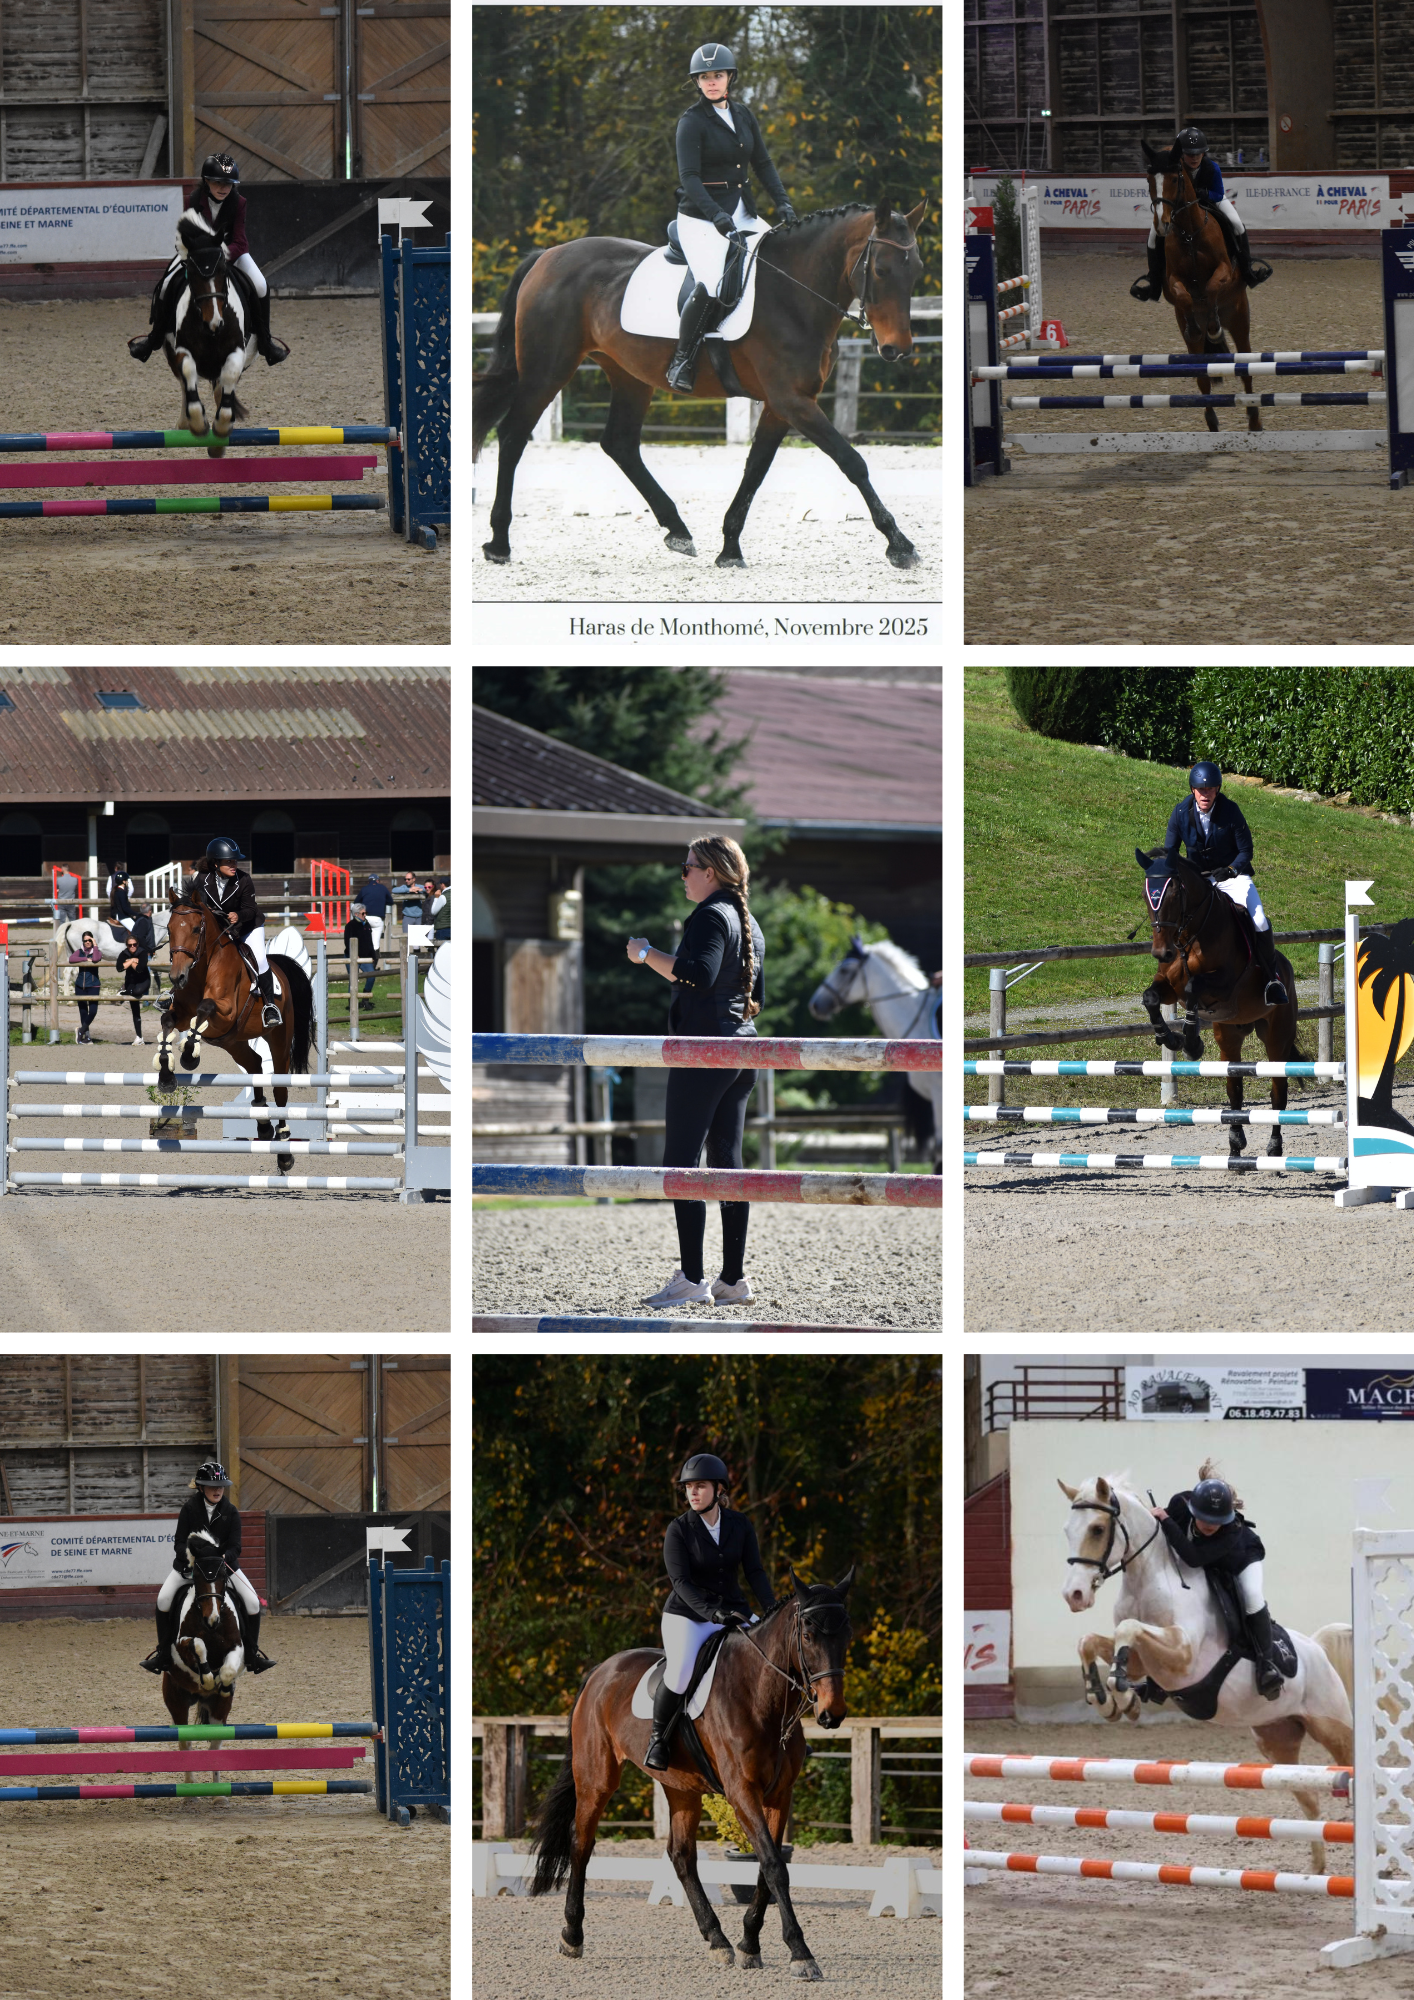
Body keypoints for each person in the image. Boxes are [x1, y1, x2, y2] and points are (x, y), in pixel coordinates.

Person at [627, 834, 765, 1309]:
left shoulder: (711, 915)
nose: (682, 875)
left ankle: (691, 1278)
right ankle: (732, 1280)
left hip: (705, 1052)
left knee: (681, 1163)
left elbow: (696, 975)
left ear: (710, 872)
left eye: (686, 868)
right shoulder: (748, 922)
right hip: (742, 1049)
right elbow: (757, 996)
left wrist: (645, 955)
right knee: (728, 1163)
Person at [666, 42, 796, 394]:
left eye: (717, 76)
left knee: (784, 261)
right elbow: (689, 178)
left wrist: (782, 202)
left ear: (729, 78)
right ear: (697, 82)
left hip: (742, 210)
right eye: (705, 77)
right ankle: (682, 359)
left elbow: (763, 164)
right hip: (701, 217)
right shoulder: (691, 123)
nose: (711, 82)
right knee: (713, 282)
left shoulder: (743, 115)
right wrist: (718, 216)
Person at [646, 1452, 778, 1770]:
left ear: (719, 1489)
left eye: (700, 1486)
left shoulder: (740, 1525)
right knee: (678, 1673)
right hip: (688, 1617)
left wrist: (773, 1611)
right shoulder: (679, 1530)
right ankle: (658, 1740)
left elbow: (755, 1572)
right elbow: (681, 1582)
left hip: (733, 1612)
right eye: (688, 1487)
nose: (692, 1492)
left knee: (776, 1654)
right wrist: (711, 1613)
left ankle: (788, 1734)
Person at [128, 153, 289, 366]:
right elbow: (186, 236)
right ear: (207, 181)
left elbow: (240, 241)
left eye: (228, 184)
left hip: (233, 254)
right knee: (166, 285)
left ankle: (266, 342)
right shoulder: (192, 201)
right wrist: (197, 254)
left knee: (260, 284)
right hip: (196, 254)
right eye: (218, 183)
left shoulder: (239, 203)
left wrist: (220, 255)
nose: (223, 188)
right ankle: (154, 339)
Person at [1150, 1469, 1283, 1699]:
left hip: (1241, 1559)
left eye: (1217, 1521)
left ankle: (1266, 1665)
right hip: (1208, 1562)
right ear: (1192, 1509)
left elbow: (1193, 1558)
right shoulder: (1180, 1504)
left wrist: (1165, 1519)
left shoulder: (1232, 1531)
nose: (1211, 1525)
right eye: (1205, 1518)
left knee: (1252, 1596)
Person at [1163, 761, 1287, 1005]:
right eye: (1200, 790)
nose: (1205, 794)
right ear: (1192, 790)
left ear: (1217, 789)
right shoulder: (1179, 813)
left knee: (1260, 919)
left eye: (1210, 790)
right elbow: (1170, 852)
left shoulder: (1230, 811)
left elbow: (1246, 850)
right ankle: (1168, 972)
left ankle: (1272, 979)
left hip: (1232, 877)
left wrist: (1231, 870)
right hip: (1199, 880)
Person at [138, 1459, 275, 1678]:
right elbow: (179, 1543)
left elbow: (235, 1547)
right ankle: (163, 1653)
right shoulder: (189, 1509)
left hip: (223, 1567)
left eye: (221, 1486)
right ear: (201, 1487)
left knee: (251, 1602)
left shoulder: (231, 1511)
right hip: (191, 1568)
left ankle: (251, 1655)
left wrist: (221, 1558)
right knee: (163, 1599)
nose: (218, 1490)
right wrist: (193, 1557)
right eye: (212, 1486)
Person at [1132, 126, 1270, 302]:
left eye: (1198, 153)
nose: (1195, 157)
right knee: (1153, 237)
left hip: (1212, 200)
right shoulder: (1175, 168)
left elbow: (1219, 194)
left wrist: (1205, 194)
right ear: (1181, 154)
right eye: (1190, 154)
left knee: (1237, 223)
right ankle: (1153, 282)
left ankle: (1248, 269)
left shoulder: (1212, 168)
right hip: (1182, 208)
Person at [187, 836, 284, 1027]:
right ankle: (176, 995)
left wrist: (238, 915)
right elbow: (197, 906)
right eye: (229, 861)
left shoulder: (244, 880)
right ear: (216, 863)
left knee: (260, 959)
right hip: (219, 929)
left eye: (235, 861)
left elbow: (251, 909)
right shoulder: (201, 879)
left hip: (248, 926)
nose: (234, 864)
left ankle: (270, 1006)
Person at [116, 929, 151, 1044]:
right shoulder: (124, 953)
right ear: (127, 945)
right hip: (131, 982)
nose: (132, 947)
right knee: (135, 1011)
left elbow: (141, 969)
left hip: (143, 981)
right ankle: (139, 1037)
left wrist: (129, 963)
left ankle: (125, 992)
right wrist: (132, 961)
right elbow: (119, 967)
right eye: (130, 945)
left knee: (135, 992)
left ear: (137, 944)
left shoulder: (142, 952)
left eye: (134, 944)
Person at [70, 932, 102, 1043]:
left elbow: (96, 959)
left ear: (93, 941)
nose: (87, 942)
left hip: (93, 985)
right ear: (82, 941)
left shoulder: (97, 951)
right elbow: (71, 959)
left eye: (90, 940)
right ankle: (87, 1037)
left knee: (93, 1011)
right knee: (83, 1012)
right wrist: (84, 959)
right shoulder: (79, 952)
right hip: (80, 986)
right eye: (85, 941)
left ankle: (81, 1030)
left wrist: (96, 945)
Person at [344, 903, 378, 995]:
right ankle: (351, 1003)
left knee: (371, 976)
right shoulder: (350, 925)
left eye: (365, 912)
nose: (365, 915)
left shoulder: (367, 924)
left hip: (366, 957)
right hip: (352, 956)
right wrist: (354, 955)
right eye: (363, 913)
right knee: (353, 979)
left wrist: (373, 955)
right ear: (356, 914)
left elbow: (370, 941)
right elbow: (347, 942)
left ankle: (365, 999)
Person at [358, 872, 392, 955]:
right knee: (375, 944)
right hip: (377, 918)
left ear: (368, 881)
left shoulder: (364, 889)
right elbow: (390, 901)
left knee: (364, 941)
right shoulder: (383, 888)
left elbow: (356, 901)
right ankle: (374, 965)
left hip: (365, 917)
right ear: (378, 881)